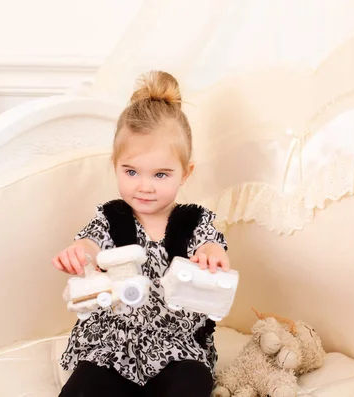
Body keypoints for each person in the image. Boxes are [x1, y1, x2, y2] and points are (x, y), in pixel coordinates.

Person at [52, 70, 230, 397]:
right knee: (86, 387)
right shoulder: (112, 216)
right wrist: (78, 252)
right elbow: (91, 244)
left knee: (191, 384)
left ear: (185, 173)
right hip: (115, 344)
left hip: (178, 345)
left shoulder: (193, 221)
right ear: (115, 164)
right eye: (131, 171)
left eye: (161, 174)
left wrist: (211, 256)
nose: (144, 187)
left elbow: (212, 246)